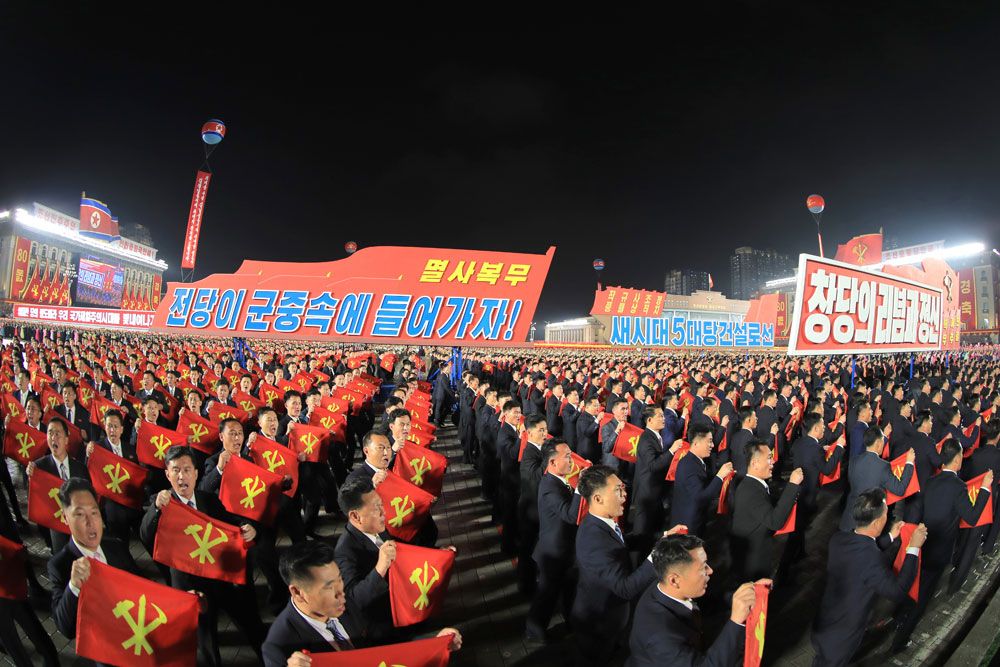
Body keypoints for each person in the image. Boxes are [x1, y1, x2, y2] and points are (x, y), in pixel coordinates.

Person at [139, 445, 266, 667]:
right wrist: (156, 509)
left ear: (196, 473)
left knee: (251, 624)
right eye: (176, 470)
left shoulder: (208, 500)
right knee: (207, 643)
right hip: (190, 586)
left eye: (187, 469)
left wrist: (248, 528)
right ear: (167, 474)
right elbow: (145, 535)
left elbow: (229, 522)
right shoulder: (161, 503)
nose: (182, 476)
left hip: (219, 576)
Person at [262, 540, 462, 667]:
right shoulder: (279, 647)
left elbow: (380, 647)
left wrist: (434, 644)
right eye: (328, 587)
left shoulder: (344, 604)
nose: (341, 593)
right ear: (298, 592)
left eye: (340, 578)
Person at [891, 439, 992, 652]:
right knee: (922, 597)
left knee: (910, 583)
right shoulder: (959, 487)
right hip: (939, 552)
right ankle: (899, 642)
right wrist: (984, 489)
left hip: (919, 545)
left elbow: (916, 513)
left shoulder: (929, 481)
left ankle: (898, 615)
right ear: (957, 460)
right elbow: (972, 518)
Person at [811, 489, 927, 667]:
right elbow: (897, 591)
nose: (887, 518)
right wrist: (914, 548)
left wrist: (890, 537)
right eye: (886, 514)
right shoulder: (872, 559)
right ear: (878, 522)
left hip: (825, 621)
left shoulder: (840, 538)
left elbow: (864, 547)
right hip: (842, 636)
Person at [571, 465, 671, 667]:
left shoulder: (601, 522)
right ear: (597, 499)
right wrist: (658, 555)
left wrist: (664, 538)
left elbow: (622, 542)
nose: (625, 496)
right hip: (598, 623)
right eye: (618, 491)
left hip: (610, 618)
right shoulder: (594, 539)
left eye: (623, 489)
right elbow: (625, 588)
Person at [627, 533, 765, 666]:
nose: (710, 570)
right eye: (703, 567)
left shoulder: (667, 585)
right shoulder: (662, 637)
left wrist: (748, 594)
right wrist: (736, 621)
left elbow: (712, 597)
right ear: (674, 580)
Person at [47, 478, 138, 645]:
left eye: (94, 512)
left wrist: (178, 600)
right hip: (106, 648)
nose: (91, 523)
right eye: (80, 514)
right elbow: (65, 627)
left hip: (135, 634)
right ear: (65, 517)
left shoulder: (115, 546)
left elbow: (142, 583)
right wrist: (73, 586)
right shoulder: (59, 565)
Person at [526, 440, 582, 642]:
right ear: (552, 462)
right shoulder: (550, 486)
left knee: (569, 589)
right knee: (546, 596)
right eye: (567, 456)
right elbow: (570, 514)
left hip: (565, 549)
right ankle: (534, 630)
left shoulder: (559, 479)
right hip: (553, 552)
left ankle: (572, 622)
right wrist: (580, 488)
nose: (571, 459)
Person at [730, 439, 802, 581]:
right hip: (752, 562)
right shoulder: (751, 491)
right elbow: (775, 521)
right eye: (769, 458)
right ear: (755, 463)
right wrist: (792, 485)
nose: (773, 462)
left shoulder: (753, 484)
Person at [26, 419, 90, 553]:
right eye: (50, 433)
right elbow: (37, 506)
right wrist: (30, 476)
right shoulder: (39, 468)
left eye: (57, 434)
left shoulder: (80, 468)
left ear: (66, 439)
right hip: (56, 529)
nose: (53, 438)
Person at [839, 425, 913, 531]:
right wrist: (909, 463)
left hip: (850, 517)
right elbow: (900, 489)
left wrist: (884, 436)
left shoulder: (854, 460)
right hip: (868, 521)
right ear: (878, 443)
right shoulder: (883, 466)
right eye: (883, 441)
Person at [670, 424, 732, 537]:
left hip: (694, 518)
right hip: (689, 525)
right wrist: (720, 476)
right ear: (696, 443)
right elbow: (701, 497)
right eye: (709, 441)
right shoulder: (689, 465)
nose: (712, 445)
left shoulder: (695, 461)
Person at [632, 406, 682, 544]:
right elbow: (653, 466)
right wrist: (671, 451)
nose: (663, 418)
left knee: (654, 528)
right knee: (642, 532)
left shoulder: (655, 435)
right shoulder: (647, 439)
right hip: (646, 492)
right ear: (649, 420)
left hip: (655, 490)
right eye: (660, 416)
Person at [517, 414, 548, 594]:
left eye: (545, 429)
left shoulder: (539, 449)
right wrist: (550, 457)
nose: (545, 433)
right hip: (530, 510)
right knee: (528, 549)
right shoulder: (529, 452)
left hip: (538, 507)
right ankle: (525, 585)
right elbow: (536, 478)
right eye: (541, 430)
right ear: (529, 433)